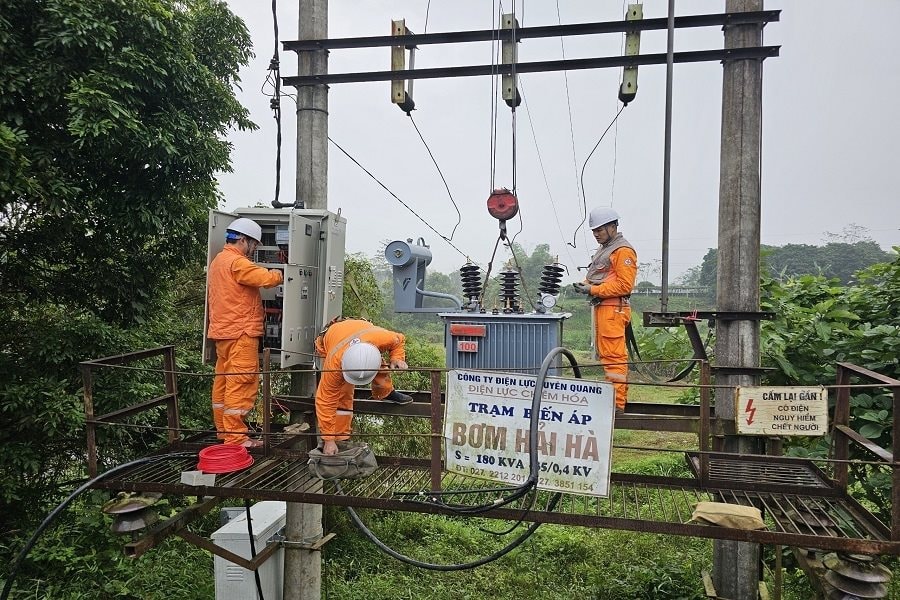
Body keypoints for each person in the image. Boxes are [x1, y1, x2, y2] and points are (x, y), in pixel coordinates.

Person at [207, 217, 283, 447]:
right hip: (241, 333)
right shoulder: (237, 263)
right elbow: (267, 279)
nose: (255, 250)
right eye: (255, 245)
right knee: (241, 382)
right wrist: (281, 273)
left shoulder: (219, 261)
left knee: (224, 382)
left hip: (223, 333)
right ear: (243, 240)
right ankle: (236, 438)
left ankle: (224, 431)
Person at [314, 318, 413, 455]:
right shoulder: (334, 364)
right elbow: (325, 401)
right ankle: (341, 438)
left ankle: (385, 392)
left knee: (379, 365)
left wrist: (397, 358)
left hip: (365, 337)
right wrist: (329, 440)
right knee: (343, 394)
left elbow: (399, 340)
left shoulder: (383, 338)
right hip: (333, 339)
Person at [573, 207, 638, 413]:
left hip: (613, 310)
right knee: (607, 357)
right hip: (604, 309)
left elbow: (624, 286)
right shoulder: (605, 250)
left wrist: (592, 289)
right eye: (594, 231)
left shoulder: (623, 251)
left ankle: (617, 405)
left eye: (600, 229)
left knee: (614, 357)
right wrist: (586, 285)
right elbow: (600, 277)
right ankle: (612, 400)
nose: (596, 234)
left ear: (613, 226)